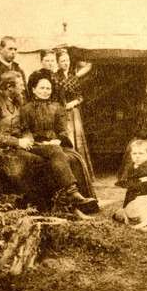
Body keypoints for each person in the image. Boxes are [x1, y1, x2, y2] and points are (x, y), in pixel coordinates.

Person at [19, 71, 98, 214]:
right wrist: (33, 140)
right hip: (35, 145)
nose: (45, 91)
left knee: (74, 158)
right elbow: (24, 130)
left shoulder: (57, 107)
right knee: (55, 151)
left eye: (48, 88)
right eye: (42, 88)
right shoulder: (26, 109)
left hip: (54, 144)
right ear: (33, 89)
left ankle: (75, 202)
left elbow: (62, 130)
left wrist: (58, 140)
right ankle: (72, 192)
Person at [53, 48, 94, 178]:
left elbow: (81, 97)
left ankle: (81, 173)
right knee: (66, 138)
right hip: (60, 112)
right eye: (63, 61)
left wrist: (74, 103)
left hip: (74, 112)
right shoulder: (54, 77)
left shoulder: (73, 77)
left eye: (67, 60)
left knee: (78, 140)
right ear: (58, 63)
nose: (66, 63)